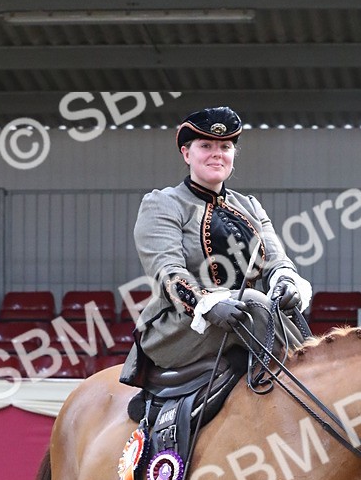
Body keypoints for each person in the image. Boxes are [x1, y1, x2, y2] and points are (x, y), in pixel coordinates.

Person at [127, 105, 312, 380]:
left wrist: (286, 282)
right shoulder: (162, 203)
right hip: (183, 326)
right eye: (206, 145)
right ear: (186, 153)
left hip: (246, 321)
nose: (217, 153)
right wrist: (209, 304)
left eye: (225, 146)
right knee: (253, 302)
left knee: (275, 305)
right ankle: (312, 383)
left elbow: (277, 261)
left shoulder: (250, 206)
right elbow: (168, 274)